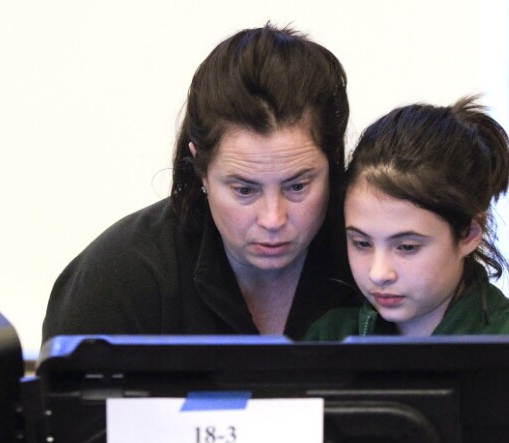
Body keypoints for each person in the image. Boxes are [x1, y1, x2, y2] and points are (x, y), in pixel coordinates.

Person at [42, 24, 359, 342]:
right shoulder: (116, 281)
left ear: (333, 161)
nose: (273, 219)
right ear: (202, 169)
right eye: (244, 190)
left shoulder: (378, 261)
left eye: (297, 186)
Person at [305, 96, 509, 339]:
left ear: (470, 233)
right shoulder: (330, 336)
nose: (379, 273)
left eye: (407, 247)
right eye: (362, 243)